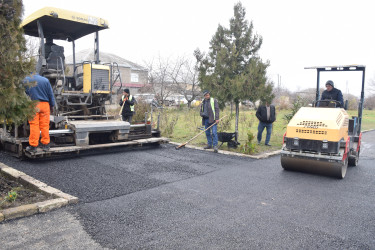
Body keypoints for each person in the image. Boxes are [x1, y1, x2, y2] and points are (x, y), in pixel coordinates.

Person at [24, 73, 55, 153]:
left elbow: (24, 93)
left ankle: (33, 146)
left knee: (34, 125)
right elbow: (50, 94)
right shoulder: (45, 80)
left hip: (33, 104)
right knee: (45, 125)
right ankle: (46, 145)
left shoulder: (26, 79)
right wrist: (52, 105)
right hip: (45, 105)